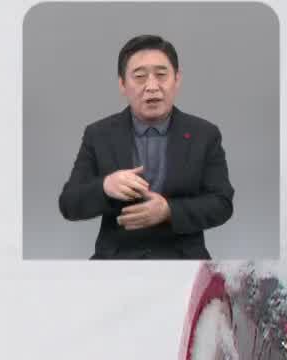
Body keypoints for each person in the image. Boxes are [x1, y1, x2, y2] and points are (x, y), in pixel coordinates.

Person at [57, 34, 234, 259]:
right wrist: (105, 186)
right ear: (122, 84)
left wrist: (169, 211)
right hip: (116, 260)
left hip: (182, 258)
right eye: (139, 77)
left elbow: (222, 203)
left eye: (161, 75)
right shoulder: (98, 135)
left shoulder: (205, 134)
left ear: (177, 79)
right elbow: (69, 204)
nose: (152, 87)